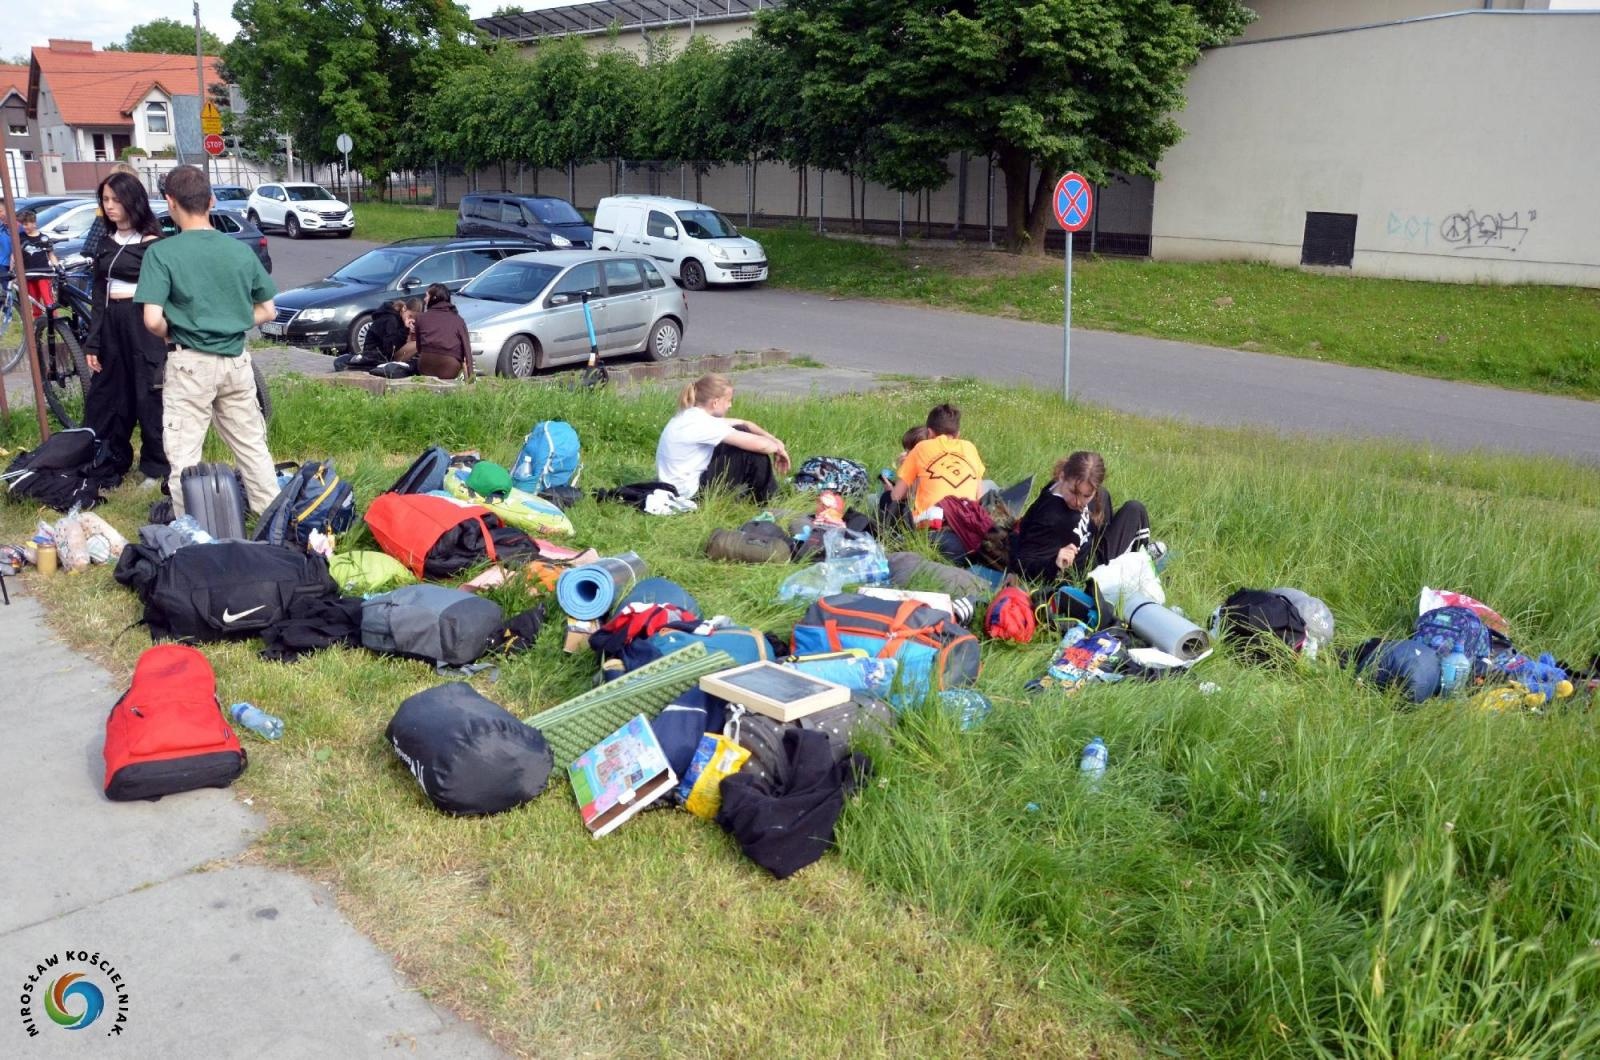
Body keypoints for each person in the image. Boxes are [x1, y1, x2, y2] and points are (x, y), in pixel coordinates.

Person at [136, 164, 280, 516]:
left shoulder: (161, 253)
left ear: (170, 202)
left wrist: (176, 330)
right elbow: (269, 310)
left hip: (190, 365)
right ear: (211, 201)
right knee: (252, 448)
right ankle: (275, 524)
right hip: (236, 363)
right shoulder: (239, 252)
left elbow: (152, 320)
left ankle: (194, 534)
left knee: (185, 456)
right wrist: (230, 321)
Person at [82, 171, 168, 485]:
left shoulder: (153, 244)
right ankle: (108, 461)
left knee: (148, 393)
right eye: (105, 200)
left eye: (116, 200)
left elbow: (160, 283)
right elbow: (98, 292)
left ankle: (156, 466)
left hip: (142, 320)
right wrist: (93, 342)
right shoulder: (105, 242)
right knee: (108, 396)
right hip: (111, 320)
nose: (110, 206)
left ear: (133, 201)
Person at [1008, 450, 1151, 583]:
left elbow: (1026, 522)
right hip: (1090, 571)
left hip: (1091, 542)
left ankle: (1137, 558)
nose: (1078, 502)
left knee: (1103, 495)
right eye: (1073, 492)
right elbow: (1022, 562)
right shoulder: (1051, 517)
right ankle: (1141, 565)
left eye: (1086, 495)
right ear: (1062, 476)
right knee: (1135, 511)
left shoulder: (1062, 487)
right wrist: (1054, 563)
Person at [656, 373, 789, 503]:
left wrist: (775, 440)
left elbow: (744, 423)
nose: (730, 405)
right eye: (728, 401)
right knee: (753, 454)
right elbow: (763, 446)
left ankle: (758, 492)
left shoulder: (690, 416)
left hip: (674, 486)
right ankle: (770, 499)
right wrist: (778, 448)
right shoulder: (704, 424)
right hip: (689, 494)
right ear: (715, 402)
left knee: (742, 432)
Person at [886, 403, 985, 528]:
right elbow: (980, 497)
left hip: (933, 526)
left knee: (886, 499)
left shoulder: (921, 448)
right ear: (958, 434)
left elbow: (896, 496)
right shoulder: (970, 448)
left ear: (930, 433)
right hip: (968, 523)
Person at [413, 283, 474, 380]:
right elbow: (467, 350)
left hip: (425, 366)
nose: (424, 299)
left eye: (427, 296)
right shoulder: (458, 320)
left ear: (434, 298)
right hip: (449, 368)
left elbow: (419, 347)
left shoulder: (421, 318)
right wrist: (471, 377)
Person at [341, 298, 412, 370]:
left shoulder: (398, 319)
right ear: (404, 309)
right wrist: (405, 330)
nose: (410, 320)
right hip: (374, 353)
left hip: (380, 352)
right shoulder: (390, 319)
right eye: (410, 316)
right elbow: (390, 345)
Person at [17, 210, 59, 309]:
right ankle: (38, 322)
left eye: (26, 224)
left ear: (34, 223)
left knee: (48, 301)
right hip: (28, 274)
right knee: (34, 302)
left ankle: (55, 321)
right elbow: (14, 255)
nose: (24, 227)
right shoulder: (20, 237)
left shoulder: (44, 238)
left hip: (43, 274)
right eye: (22, 224)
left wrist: (57, 267)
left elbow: (51, 255)